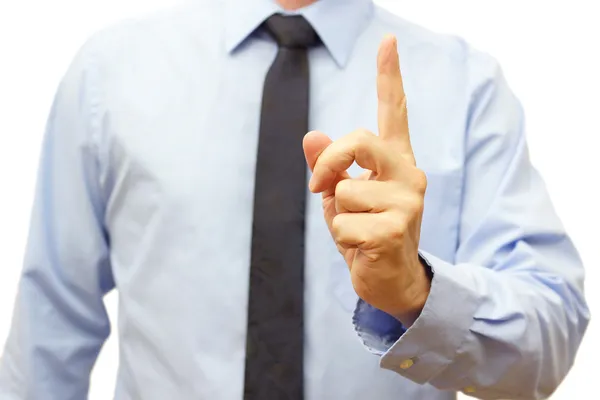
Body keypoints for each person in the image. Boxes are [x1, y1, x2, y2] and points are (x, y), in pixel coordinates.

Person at [0, 0, 590, 399]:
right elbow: (52, 325)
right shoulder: (108, 72)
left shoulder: (467, 85)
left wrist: (416, 294)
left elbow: (548, 344)